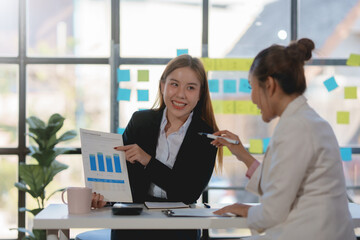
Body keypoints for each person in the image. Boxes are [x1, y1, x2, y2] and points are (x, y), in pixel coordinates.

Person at [211, 38, 356, 240]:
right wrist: (243, 155)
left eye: (251, 87)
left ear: (269, 85)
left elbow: (272, 212)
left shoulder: (296, 128)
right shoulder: (305, 121)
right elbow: (281, 181)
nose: (252, 98)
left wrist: (245, 210)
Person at [92, 54, 223, 240]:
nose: (180, 94)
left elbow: (187, 193)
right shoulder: (140, 121)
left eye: (191, 88)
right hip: (133, 226)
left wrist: (147, 160)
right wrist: (105, 197)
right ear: (162, 86)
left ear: (200, 93)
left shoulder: (206, 135)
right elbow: (122, 176)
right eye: (174, 84)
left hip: (179, 229)